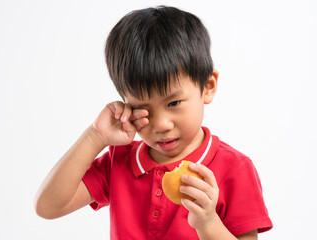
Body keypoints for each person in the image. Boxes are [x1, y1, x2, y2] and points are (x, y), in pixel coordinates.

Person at [34, 6, 273, 240]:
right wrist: (95, 136)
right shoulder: (120, 160)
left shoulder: (235, 168)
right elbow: (48, 207)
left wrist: (208, 223)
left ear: (208, 87)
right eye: (142, 108)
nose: (161, 125)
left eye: (173, 103)